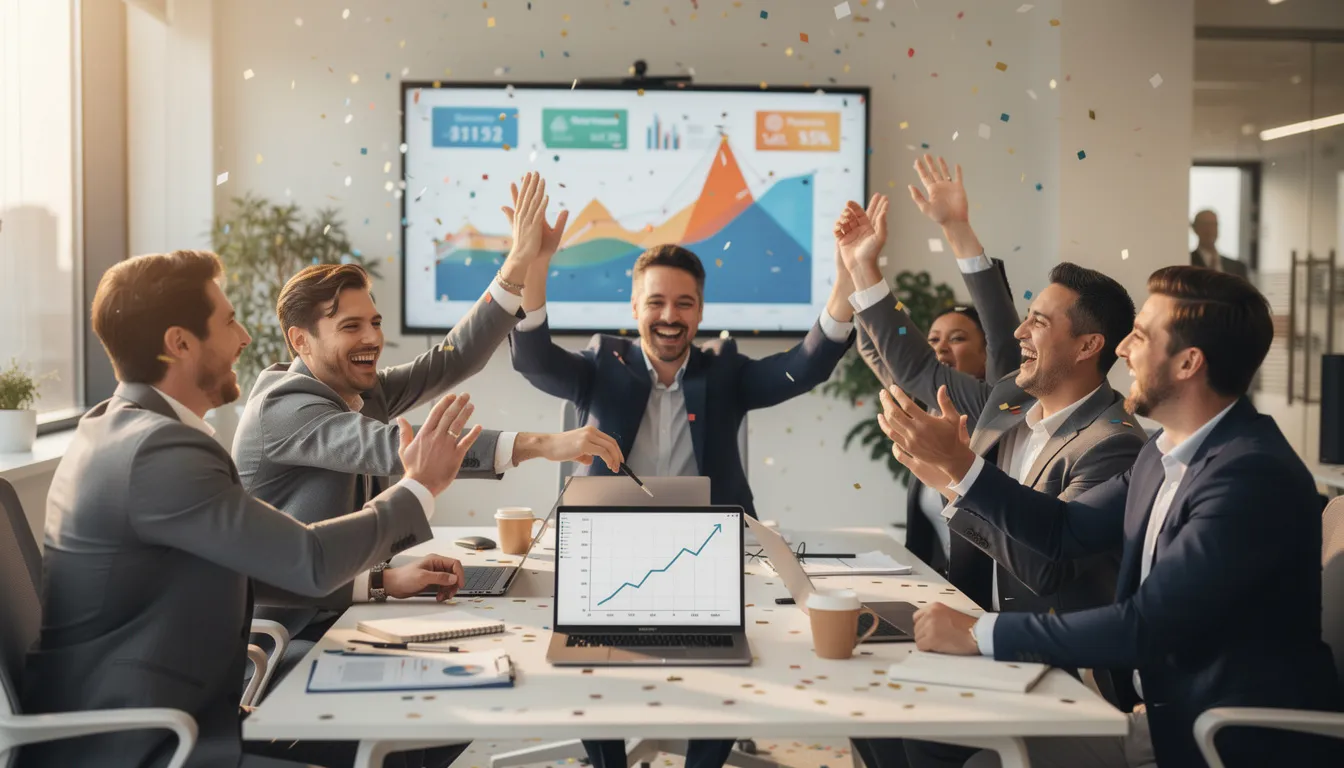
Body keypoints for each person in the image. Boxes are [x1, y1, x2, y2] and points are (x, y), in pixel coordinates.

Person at [21, 250, 481, 768]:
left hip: (179, 723)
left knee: (418, 727)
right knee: (414, 726)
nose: (243, 338)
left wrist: (380, 581)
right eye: (229, 321)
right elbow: (307, 557)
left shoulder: (124, 427)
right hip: (149, 744)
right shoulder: (158, 452)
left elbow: (246, 566)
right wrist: (419, 486)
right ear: (179, 343)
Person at [882, 266, 1342, 767]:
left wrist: (979, 633)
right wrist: (960, 467)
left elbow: (1146, 627)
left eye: (1140, 336)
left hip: (1221, 739)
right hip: (1156, 717)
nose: (1121, 349)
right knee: (912, 728)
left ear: (1188, 362)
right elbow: (1063, 530)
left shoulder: (1249, 476)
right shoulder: (1162, 453)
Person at [507, 181, 855, 768]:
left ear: (700, 310)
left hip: (708, 549)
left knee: (731, 657)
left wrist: (845, 281)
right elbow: (534, 359)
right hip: (607, 550)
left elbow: (804, 366)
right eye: (656, 303)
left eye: (684, 304)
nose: (670, 317)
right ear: (634, 308)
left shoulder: (724, 370)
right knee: (587, 658)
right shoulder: (603, 364)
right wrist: (535, 262)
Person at [234, 172, 624, 685]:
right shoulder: (283, 408)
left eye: (374, 322)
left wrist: (518, 265)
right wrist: (542, 443)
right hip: (286, 637)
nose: (372, 337)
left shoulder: (359, 388)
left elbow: (452, 358)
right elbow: (394, 449)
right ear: (300, 341)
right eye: (351, 326)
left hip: (340, 610)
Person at [840, 157, 1146, 768]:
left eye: (1039, 321)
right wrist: (863, 268)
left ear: (1089, 346)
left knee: (913, 735)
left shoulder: (1113, 443)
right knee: (865, 707)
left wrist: (958, 478)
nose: (1020, 334)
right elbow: (917, 368)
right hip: (981, 632)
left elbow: (1046, 569)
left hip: (1060, 667)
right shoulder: (1008, 398)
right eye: (1026, 317)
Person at [1189, 209, 1247, 278]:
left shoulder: (1237, 267)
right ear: (1195, 229)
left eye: (1214, 224)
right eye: (1205, 225)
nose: (1210, 229)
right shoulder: (1188, 263)